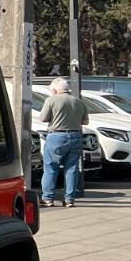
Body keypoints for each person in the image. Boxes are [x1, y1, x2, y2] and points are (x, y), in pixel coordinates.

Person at [39, 77, 84, 208]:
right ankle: (69, 200)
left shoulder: (51, 100)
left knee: (51, 168)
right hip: (76, 136)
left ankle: (47, 198)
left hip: (56, 137)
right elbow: (85, 121)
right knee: (72, 169)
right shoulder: (78, 102)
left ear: (54, 90)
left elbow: (42, 118)